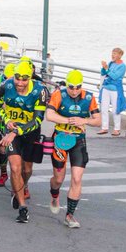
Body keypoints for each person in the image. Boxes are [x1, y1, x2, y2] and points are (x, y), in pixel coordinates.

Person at [45, 70, 100, 228]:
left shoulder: (89, 97)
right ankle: (54, 195)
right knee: (58, 178)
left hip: (78, 140)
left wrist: (84, 120)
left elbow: (98, 120)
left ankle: (70, 215)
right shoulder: (58, 95)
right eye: (71, 87)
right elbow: (49, 115)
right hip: (60, 138)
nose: (74, 90)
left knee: (76, 178)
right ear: (66, 84)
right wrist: (68, 120)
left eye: (78, 87)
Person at [0, 59, 47, 224]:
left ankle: (22, 185)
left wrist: (17, 130)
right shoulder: (6, 85)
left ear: (30, 77)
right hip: (12, 132)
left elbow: (38, 120)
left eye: (24, 79)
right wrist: (6, 120)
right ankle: (22, 207)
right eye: (17, 78)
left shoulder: (40, 91)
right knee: (15, 167)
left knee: (26, 169)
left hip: (30, 132)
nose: (19, 82)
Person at [99, 48, 126, 136]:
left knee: (115, 110)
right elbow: (104, 73)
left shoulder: (123, 66)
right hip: (106, 88)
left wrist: (107, 69)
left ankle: (117, 129)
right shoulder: (111, 63)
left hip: (115, 89)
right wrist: (104, 68)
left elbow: (115, 76)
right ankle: (104, 127)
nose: (112, 55)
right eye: (112, 53)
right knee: (103, 108)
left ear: (120, 55)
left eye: (114, 53)